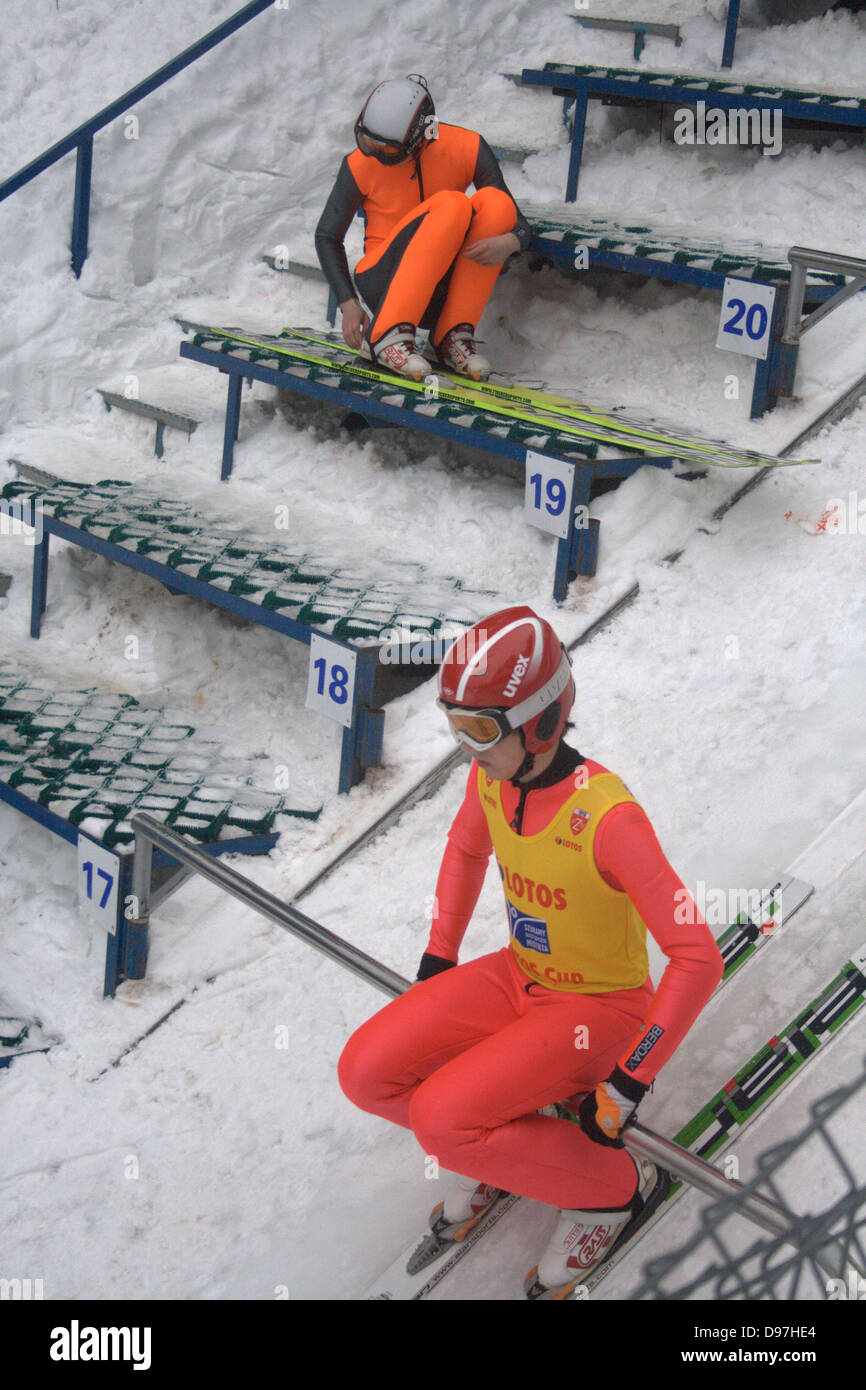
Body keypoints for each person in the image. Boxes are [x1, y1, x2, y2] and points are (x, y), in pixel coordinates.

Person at [338, 605, 725, 1299]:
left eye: (480, 730)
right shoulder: (493, 777)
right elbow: (465, 848)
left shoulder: (609, 820)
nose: (465, 746)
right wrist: (438, 958)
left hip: (600, 1009)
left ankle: (612, 1192)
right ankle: (509, 1148)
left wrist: (629, 1082)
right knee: (366, 1072)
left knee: (441, 1118)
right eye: (454, 726)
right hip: (521, 977)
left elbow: (698, 955)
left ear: (541, 721)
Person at [315, 74, 532, 381]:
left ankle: (450, 337)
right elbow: (327, 235)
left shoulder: (466, 147)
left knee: (496, 204)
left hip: (443, 289)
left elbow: (520, 225)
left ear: (421, 137)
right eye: (368, 143)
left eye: (389, 151)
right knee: (453, 204)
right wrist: (348, 303)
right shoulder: (359, 164)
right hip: (384, 281)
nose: (376, 155)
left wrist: (508, 243)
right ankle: (383, 336)